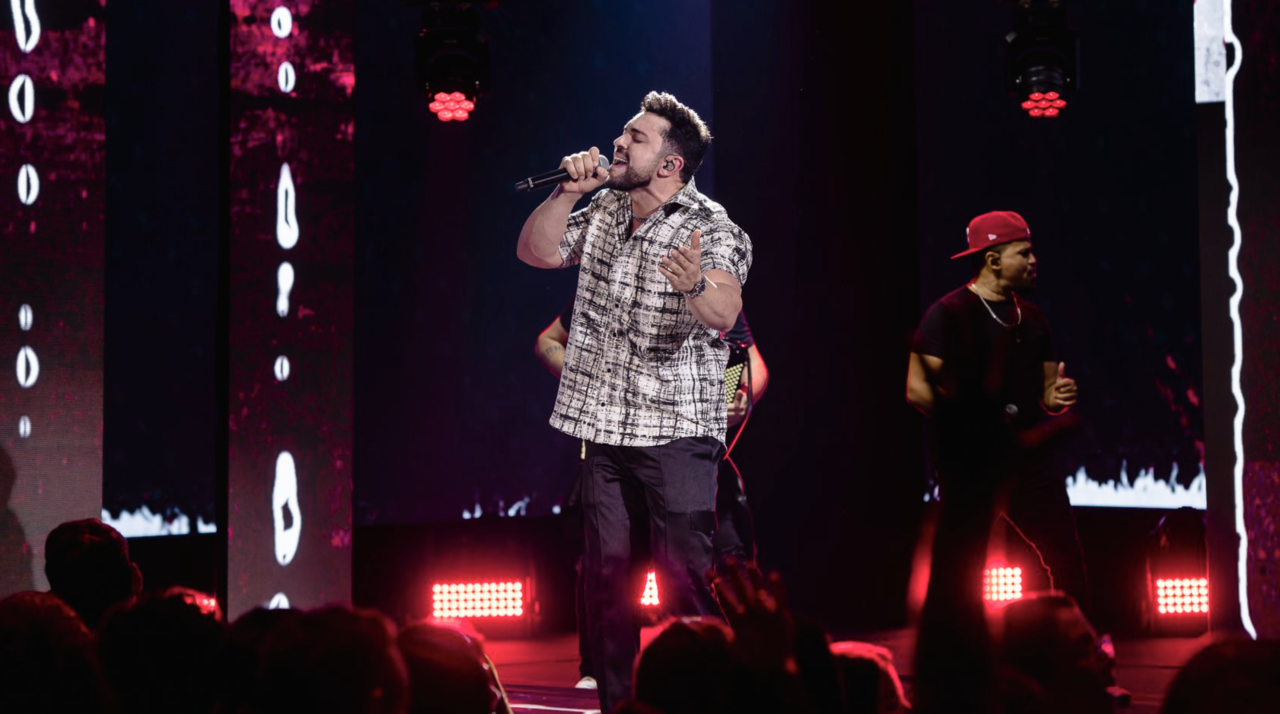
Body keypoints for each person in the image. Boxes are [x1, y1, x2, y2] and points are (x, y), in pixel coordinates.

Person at [516, 91, 752, 711]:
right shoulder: (602, 208)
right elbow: (536, 252)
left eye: (635, 138)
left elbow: (725, 313)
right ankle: (619, 702)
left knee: (683, 579)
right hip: (603, 426)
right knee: (605, 581)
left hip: (677, 431)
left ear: (671, 164)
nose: (618, 143)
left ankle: (712, 701)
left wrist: (695, 283)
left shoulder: (712, 226)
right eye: (623, 132)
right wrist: (564, 194)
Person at [536, 295, 769, 689]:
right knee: (611, 565)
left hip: (690, 456)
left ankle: (741, 675)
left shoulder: (706, 287)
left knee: (715, 565)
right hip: (623, 453)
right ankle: (607, 677)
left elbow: (752, 362)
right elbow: (548, 341)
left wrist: (740, 399)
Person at [904, 210, 1088, 711]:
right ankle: (960, 671)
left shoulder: (1035, 319)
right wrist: (969, 426)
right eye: (1023, 252)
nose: (1033, 260)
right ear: (992, 259)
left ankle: (1079, 658)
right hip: (971, 462)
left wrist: (1055, 398)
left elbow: (1047, 394)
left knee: (1065, 559)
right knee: (962, 567)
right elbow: (916, 388)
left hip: (1025, 461)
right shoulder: (948, 314)